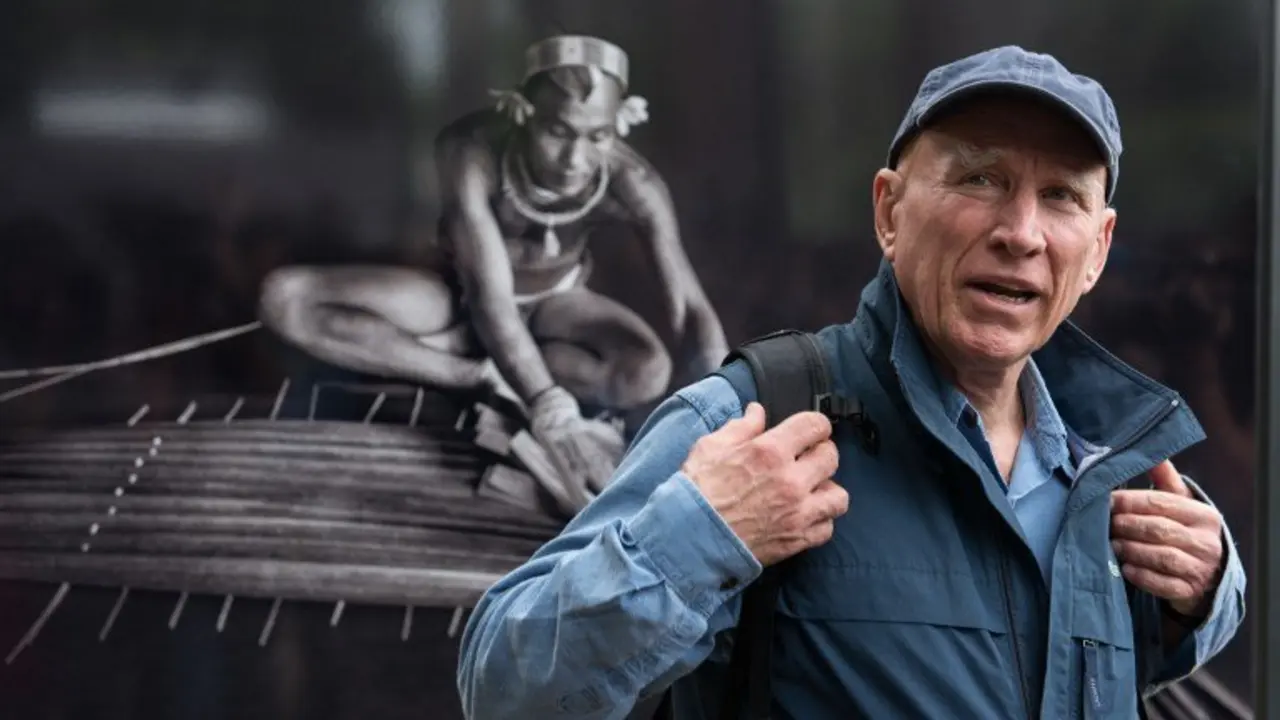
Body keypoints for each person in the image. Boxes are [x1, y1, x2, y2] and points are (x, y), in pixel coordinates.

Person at [454, 46, 1248, 719]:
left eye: (1062, 197)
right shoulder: (753, 424)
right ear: (890, 212)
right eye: (979, 179)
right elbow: (500, 682)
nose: (1021, 233)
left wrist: (1209, 591)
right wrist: (697, 539)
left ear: (1099, 249)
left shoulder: (1109, 464)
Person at [258, 35, 729, 498]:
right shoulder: (470, 150)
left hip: (557, 304)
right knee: (284, 298)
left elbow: (689, 309)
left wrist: (724, 410)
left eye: (597, 136)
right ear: (522, 112)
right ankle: (475, 376)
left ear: (620, 124)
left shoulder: (635, 183)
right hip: (455, 301)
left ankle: (500, 373)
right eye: (558, 132)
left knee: (645, 372)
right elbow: (489, 300)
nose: (574, 159)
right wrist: (552, 410)